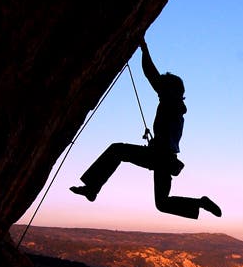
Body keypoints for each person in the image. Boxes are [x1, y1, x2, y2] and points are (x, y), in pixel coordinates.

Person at [69, 39, 222, 219]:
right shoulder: (178, 109)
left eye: (163, 88)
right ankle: (200, 203)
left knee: (117, 150)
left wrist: (144, 49)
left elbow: (151, 75)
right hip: (166, 159)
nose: (159, 90)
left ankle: (92, 188)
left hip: (159, 156)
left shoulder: (169, 102)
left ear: (170, 90)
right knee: (162, 203)